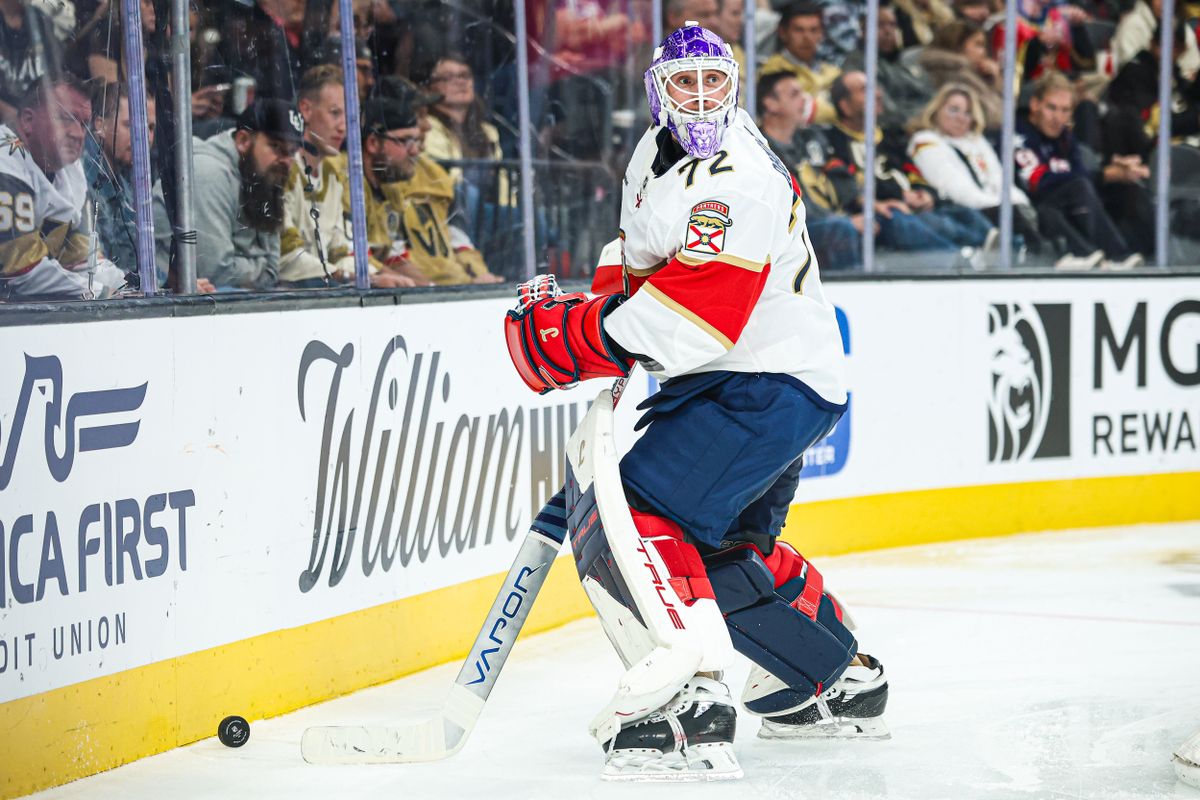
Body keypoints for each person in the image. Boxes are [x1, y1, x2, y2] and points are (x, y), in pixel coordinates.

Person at [503, 22, 888, 780]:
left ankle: (683, 704)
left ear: (735, 86)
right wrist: (603, 314)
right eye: (686, 83)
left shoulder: (739, 178)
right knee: (717, 550)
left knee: (635, 520)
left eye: (716, 82)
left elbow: (697, 317)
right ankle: (830, 678)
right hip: (755, 381)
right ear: (658, 90)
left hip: (759, 384)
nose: (703, 97)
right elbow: (641, 260)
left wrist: (575, 340)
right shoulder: (655, 151)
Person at [826, 70, 994, 261]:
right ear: (845, 106)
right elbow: (846, 184)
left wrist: (925, 194)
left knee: (966, 214)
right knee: (900, 220)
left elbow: (913, 172)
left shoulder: (891, 136)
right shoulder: (833, 141)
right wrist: (892, 198)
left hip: (913, 208)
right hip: (881, 212)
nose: (878, 93)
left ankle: (1006, 250)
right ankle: (959, 261)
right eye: (865, 90)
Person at [280, 65, 413, 289]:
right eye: (335, 113)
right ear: (306, 109)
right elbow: (288, 258)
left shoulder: (332, 175)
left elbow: (340, 251)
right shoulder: (282, 170)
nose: (343, 127)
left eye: (348, 115)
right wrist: (359, 278)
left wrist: (374, 274)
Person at [348, 95, 500, 285]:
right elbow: (346, 257)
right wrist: (430, 290)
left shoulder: (398, 187)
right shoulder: (345, 180)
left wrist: (476, 276)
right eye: (405, 141)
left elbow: (394, 254)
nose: (426, 126)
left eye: (415, 140)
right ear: (372, 143)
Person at [0, 74, 128, 300]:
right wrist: (102, 293)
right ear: (28, 121)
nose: (77, 133)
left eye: (82, 123)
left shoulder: (71, 171)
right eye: (65, 118)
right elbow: (22, 272)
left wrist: (130, 290)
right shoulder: (5, 161)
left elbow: (83, 260)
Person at [907, 83, 1066, 265]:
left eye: (967, 113)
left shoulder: (975, 140)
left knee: (1046, 212)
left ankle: (1075, 254)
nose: (961, 118)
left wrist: (1019, 201)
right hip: (960, 207)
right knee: (1011, 214)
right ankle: (1048, 260)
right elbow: (956, 189)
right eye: (953, 110)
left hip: (990, 202)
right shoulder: (925, 142)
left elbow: (999, 179)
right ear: (936, 110)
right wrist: (1005, 205)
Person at [1015, 72, 1143, 269]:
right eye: (1052, 108)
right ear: (1034, 104)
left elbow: (1080, 173)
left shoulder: (1064, 137)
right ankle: (1115, 257)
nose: (1058, 118)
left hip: (1066, 209)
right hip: (1034, 212)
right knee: (1077, 189)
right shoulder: (1018, 135)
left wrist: (1111, 173)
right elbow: (1036, 182)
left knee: (1124, 189)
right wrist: (1103, 174)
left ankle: (1152, 252)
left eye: (1065, 111)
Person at [192, 98, 303, 290]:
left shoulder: (264, 174)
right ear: (243, 141)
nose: (285, 160)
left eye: (292, 152)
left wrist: (258, 270)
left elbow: (273, 268)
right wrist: (261, 268)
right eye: (276, 147)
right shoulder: (208, 173)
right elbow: (216, 272)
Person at [758, 70, 862, 270]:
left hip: (830, 219)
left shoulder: (811, 139)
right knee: (841, 229)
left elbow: (844, 184)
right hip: (791, 232)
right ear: (770, 104)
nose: (804, 100)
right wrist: (846, 220)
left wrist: (865, 203)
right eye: (794, 94)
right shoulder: (760, 149)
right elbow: (791, 207)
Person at [842, 4, 934, 130]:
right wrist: (928, 117)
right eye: (879, 25)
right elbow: (885, 113)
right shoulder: (860, 64)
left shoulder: (905, 62)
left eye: (892, 25)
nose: (888, 31)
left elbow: (930, 96)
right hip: (891, 135)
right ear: (863, 31)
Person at [758, 2, 842, 123]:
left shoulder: (834, 73)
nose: (807, 37)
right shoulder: (772, 72)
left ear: (821, 34)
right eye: (799, 30)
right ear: (783, 32)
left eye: (813, 30)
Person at [918, 20, 1005, 131]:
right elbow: (993, 117)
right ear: (957, 45)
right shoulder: (951, 74)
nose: (984, 52)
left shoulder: (971, 72)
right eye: (978, 45)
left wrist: (994, 79)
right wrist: (995, 83)